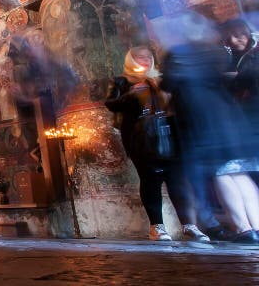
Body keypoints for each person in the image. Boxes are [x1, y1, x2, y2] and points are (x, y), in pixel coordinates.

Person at [163, 13, 257, 244]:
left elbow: (168, 83)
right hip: (228, 116)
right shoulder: (217, 52)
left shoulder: (177, 53)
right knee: (239, 172)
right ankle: (256, 225)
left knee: (221, 173)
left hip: (201, 118)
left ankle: (244, 229)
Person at [105, 46, 209, 242]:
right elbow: (111, 104)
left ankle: (189, 225)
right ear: (130, 60)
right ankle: (157, 226)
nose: (144, 61)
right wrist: (133, 93)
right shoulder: (122, 81)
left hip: (171, 133)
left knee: (178, 180)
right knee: (151, 180)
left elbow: (179, 101)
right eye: (139, 57)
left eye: (147, 57)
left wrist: (164, 87)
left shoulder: (162, 77)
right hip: (141, 137)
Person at [216, 19, 259, 241]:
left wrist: (233, 81)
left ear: (247, 32)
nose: (234, 40)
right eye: (229, 37)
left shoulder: (254, 55)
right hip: (246, 121)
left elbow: (246, 82)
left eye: (238, 35)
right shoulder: (232, 57)